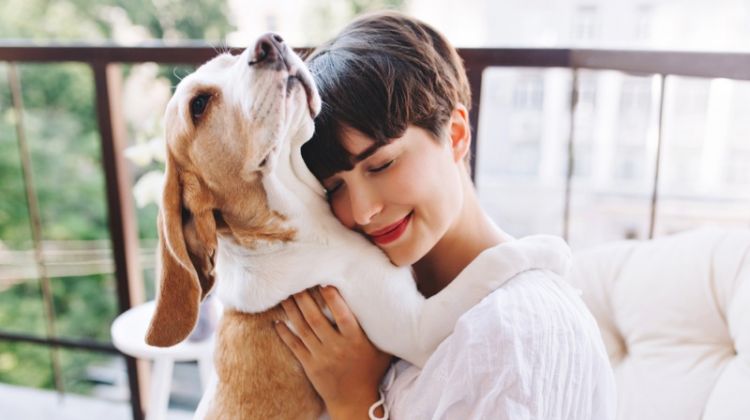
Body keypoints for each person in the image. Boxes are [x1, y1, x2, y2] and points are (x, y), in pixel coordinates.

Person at [273, 11, 616, 420]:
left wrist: (354, 402)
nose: (363, 211)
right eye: (335, 188)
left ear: (455, 134)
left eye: (381, 165)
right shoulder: (362, 312)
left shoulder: (512, 332)